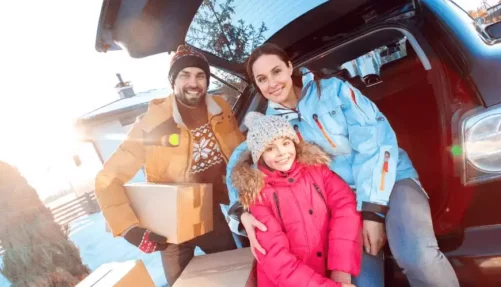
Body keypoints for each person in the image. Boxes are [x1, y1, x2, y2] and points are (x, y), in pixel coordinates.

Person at [226, 43, 459, 287]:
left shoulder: (333, 91)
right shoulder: (270, 127)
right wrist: (241, 212)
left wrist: (373, 211)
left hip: (390, 179)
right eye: (262, 79)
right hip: (344, 207)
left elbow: (375, 141)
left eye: (276, 72)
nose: (272, 83)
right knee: (362, 283)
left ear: (289, 67)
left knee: (417, 256)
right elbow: (238, 163)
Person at [95, 45, 245, 286]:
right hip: (170, 224)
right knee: (180, 283)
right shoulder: (151, 123)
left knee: (236, 276)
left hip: (210, 213)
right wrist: (129, 229)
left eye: (200, 75)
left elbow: (240, 151)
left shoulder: (221, 109)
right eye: (185, 75)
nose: (193, 82)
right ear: (173, 81)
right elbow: (106, 179)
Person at [231, 111, 361, 287]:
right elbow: (275, 258)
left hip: (330, 272)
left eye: (286, 143)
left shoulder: (317, 171)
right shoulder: (257, 195)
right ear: (259, 155)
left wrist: (341, 269)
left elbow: (345, 206)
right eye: (270, 148)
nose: (282, 152)